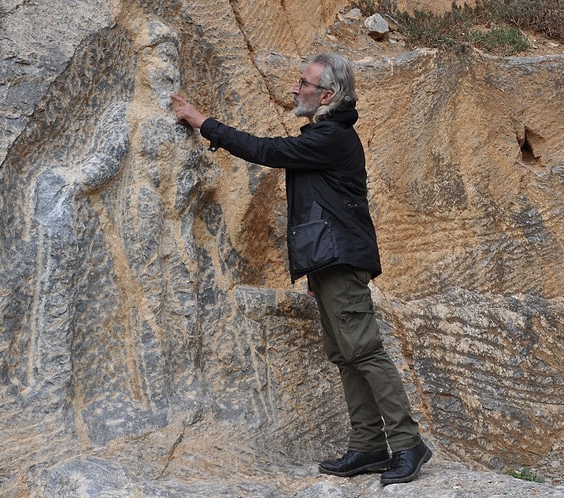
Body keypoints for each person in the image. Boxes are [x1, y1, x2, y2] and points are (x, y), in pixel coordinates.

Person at [171, 53, 431, 485]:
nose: (296, 89)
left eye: (303, 83)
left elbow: (267, 151)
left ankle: (408, 445)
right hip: (330, 262)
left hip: (342, 261)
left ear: (326, 95)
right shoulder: (327, 134)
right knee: (346, 355)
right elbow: (322, 208)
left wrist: (203, 123)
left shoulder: (331, 137)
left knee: (364, 351)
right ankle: (368, 446)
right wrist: (314, 272)